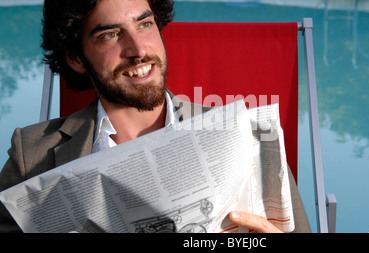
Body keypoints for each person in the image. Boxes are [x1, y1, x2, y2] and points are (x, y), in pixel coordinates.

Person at [0, 0, 310, 233]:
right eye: (110, 34)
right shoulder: (32, 152)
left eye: (145, 25)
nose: (138, 50)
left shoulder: (246, 135)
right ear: (76, 58)